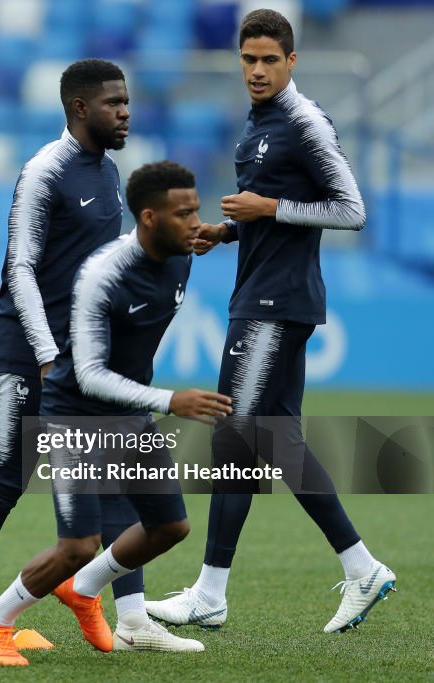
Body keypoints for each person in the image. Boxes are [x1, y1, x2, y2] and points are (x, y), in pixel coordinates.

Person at [145, 9, 395, 635]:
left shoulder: (305, 122)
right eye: (248, 59)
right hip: (260, 292)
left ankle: (209, 593)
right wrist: (228, 230)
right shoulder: (257, 125)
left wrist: (271, 206)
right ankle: (362, 566)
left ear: (291, 62)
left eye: (268, 60)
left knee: (235, 437)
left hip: (275, 304)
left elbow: (352, 210)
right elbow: (272, 218)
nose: (257, 70)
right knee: (276, 443)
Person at [0, 161, 233, 666]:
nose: (196, 222)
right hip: (76, 415)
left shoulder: (183, 252)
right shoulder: (101, 275)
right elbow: (87, 374)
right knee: (79, 543)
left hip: (128, 413)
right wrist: (169, 401)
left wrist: (228, 228)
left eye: (197, 210)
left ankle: (83, 590)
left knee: (169, 527)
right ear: (150, 218)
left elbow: (216, 233)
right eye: (185, 214)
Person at [0, 59, 131, 650]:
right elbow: (18, 266)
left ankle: (120, 611)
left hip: (84, 359)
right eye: (114, 102)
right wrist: (46, 353)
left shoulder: (110, 172)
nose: (125, 111)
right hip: (28, 354)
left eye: (126, 101)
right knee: (7, 476)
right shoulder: (44, 172)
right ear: (79, 108)